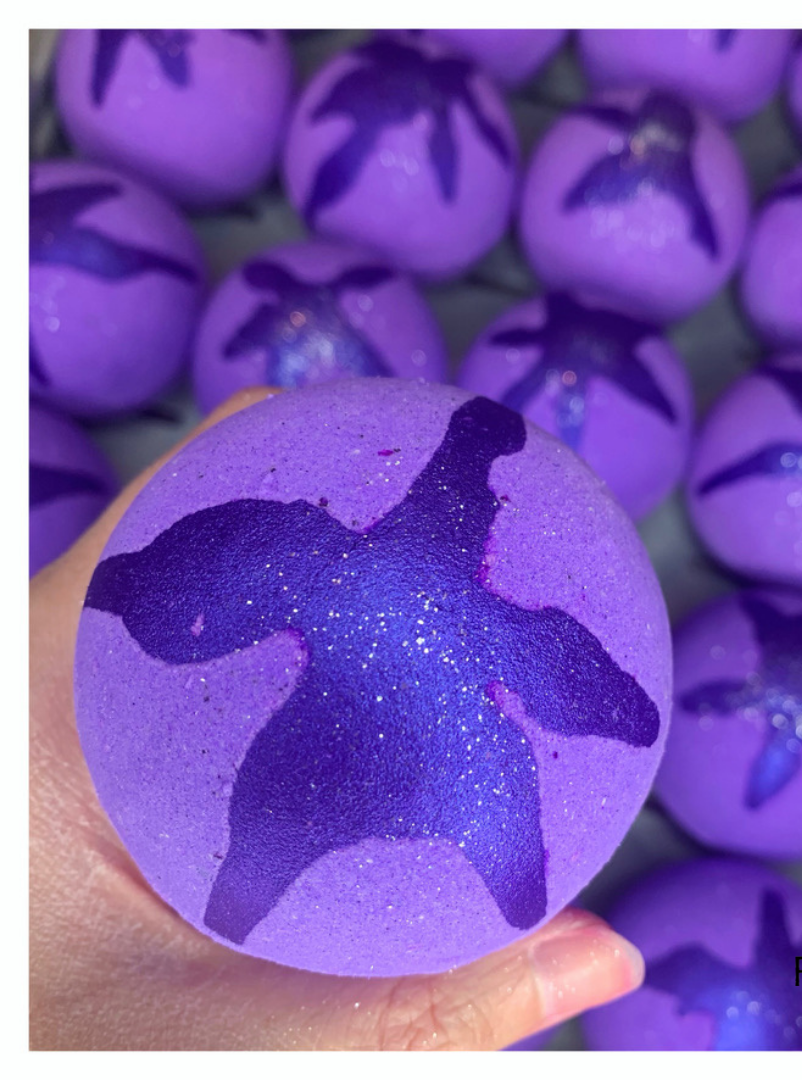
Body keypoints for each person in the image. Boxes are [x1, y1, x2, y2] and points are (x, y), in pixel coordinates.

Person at [29, 388, 644, 1050]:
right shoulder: (409, 592)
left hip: (340, 774)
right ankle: (506, 899)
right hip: (374, 775)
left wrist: (127, 585)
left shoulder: (320, 559)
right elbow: (607, 701)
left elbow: (598, 695)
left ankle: (501, 898)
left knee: (266, 864)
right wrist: (129, 585)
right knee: (284, 860)